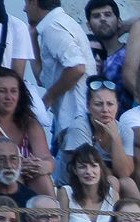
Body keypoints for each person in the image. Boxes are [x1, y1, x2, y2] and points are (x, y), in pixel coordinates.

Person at [27, 0, 96, 148]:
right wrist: (32, 38)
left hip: (76, 118)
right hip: (69, 119)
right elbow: (42, 78)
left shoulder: (54, 27)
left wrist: (47, 99)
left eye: (26, 3)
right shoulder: (55, 25)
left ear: (34, 2)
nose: (24, 9)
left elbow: (77, 67)